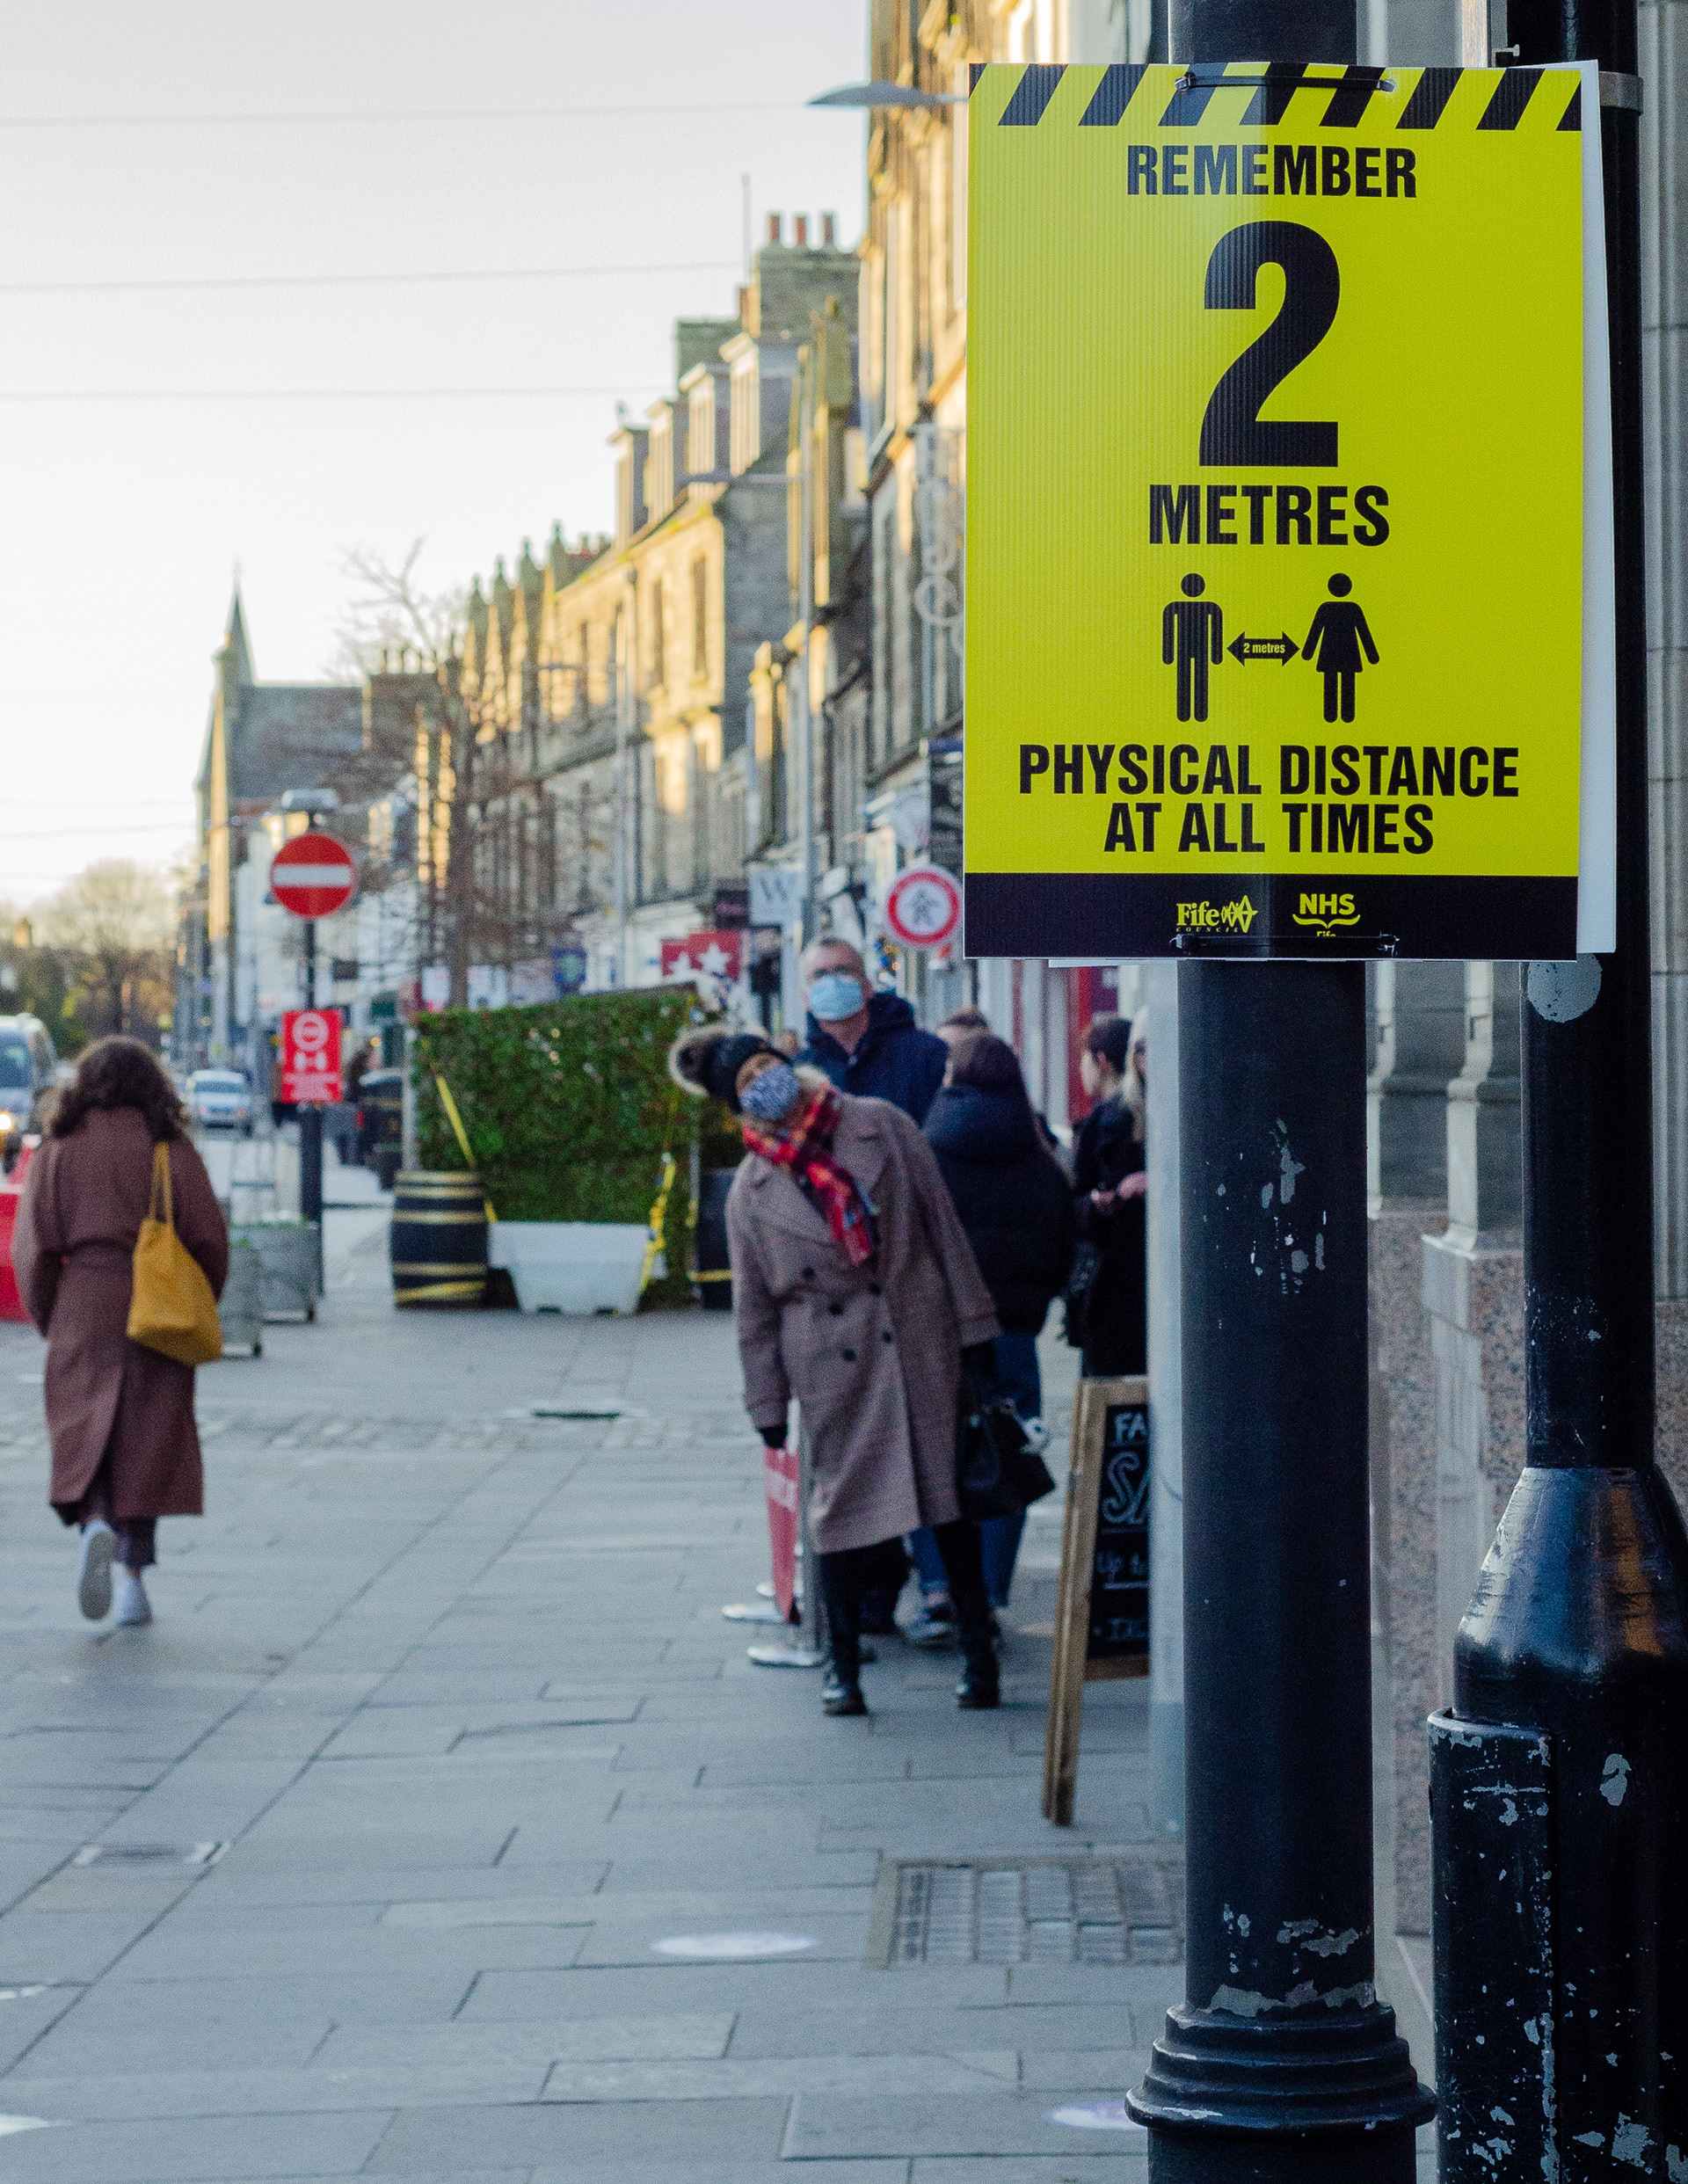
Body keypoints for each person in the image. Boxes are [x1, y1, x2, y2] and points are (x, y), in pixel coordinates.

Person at [669, 1025, 1002, 1716]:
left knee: (950, 1511)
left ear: (790, 1065)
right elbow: (753, 1313)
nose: (766, 1082)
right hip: (832, 1369)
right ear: (738, 1105)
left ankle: (979, 1656)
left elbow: (945, 1229)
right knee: (841, 1524)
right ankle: (842, 1667)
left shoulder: (882, 1124)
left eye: (769, 1065)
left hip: (917, 1342)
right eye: (747, 1081)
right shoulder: (752, 1193)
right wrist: (766, 1405)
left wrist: (974, 1331)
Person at [12, 1037, 229, 1627]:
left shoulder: (58, 1147)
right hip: (155, 1308)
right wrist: (199, 1296)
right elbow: (209, 1238)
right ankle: (133, 1578)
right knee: (146, 1440)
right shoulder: (168, 1147)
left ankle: (95, 1523)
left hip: (81, 1302)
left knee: (84, 1430)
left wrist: (50, 1313)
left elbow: (31, 1247)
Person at [922, 1033, 1075, 1612]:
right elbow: (1063, 1247)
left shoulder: (930, 1153)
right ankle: (987, 1592)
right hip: (1014, 1334)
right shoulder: (1041, 1159)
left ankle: (938, 1586)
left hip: (939, 1334)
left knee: (932, 1455)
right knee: (1009, 1455)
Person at [1070, 1011, 1147, 1379]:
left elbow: (1074, 1202)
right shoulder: (1105, 1119)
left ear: (1100, 1060)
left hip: (1117, 1280)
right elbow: (1078, 1202)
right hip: (1116, 1283)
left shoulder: (1107, 1121)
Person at [795, 940, 948, 1124]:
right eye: (819, 975)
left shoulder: (926, 1054)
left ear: (868, 986)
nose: (832, 982)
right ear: (805, 998)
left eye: (843, 971)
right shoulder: (802, 1071)